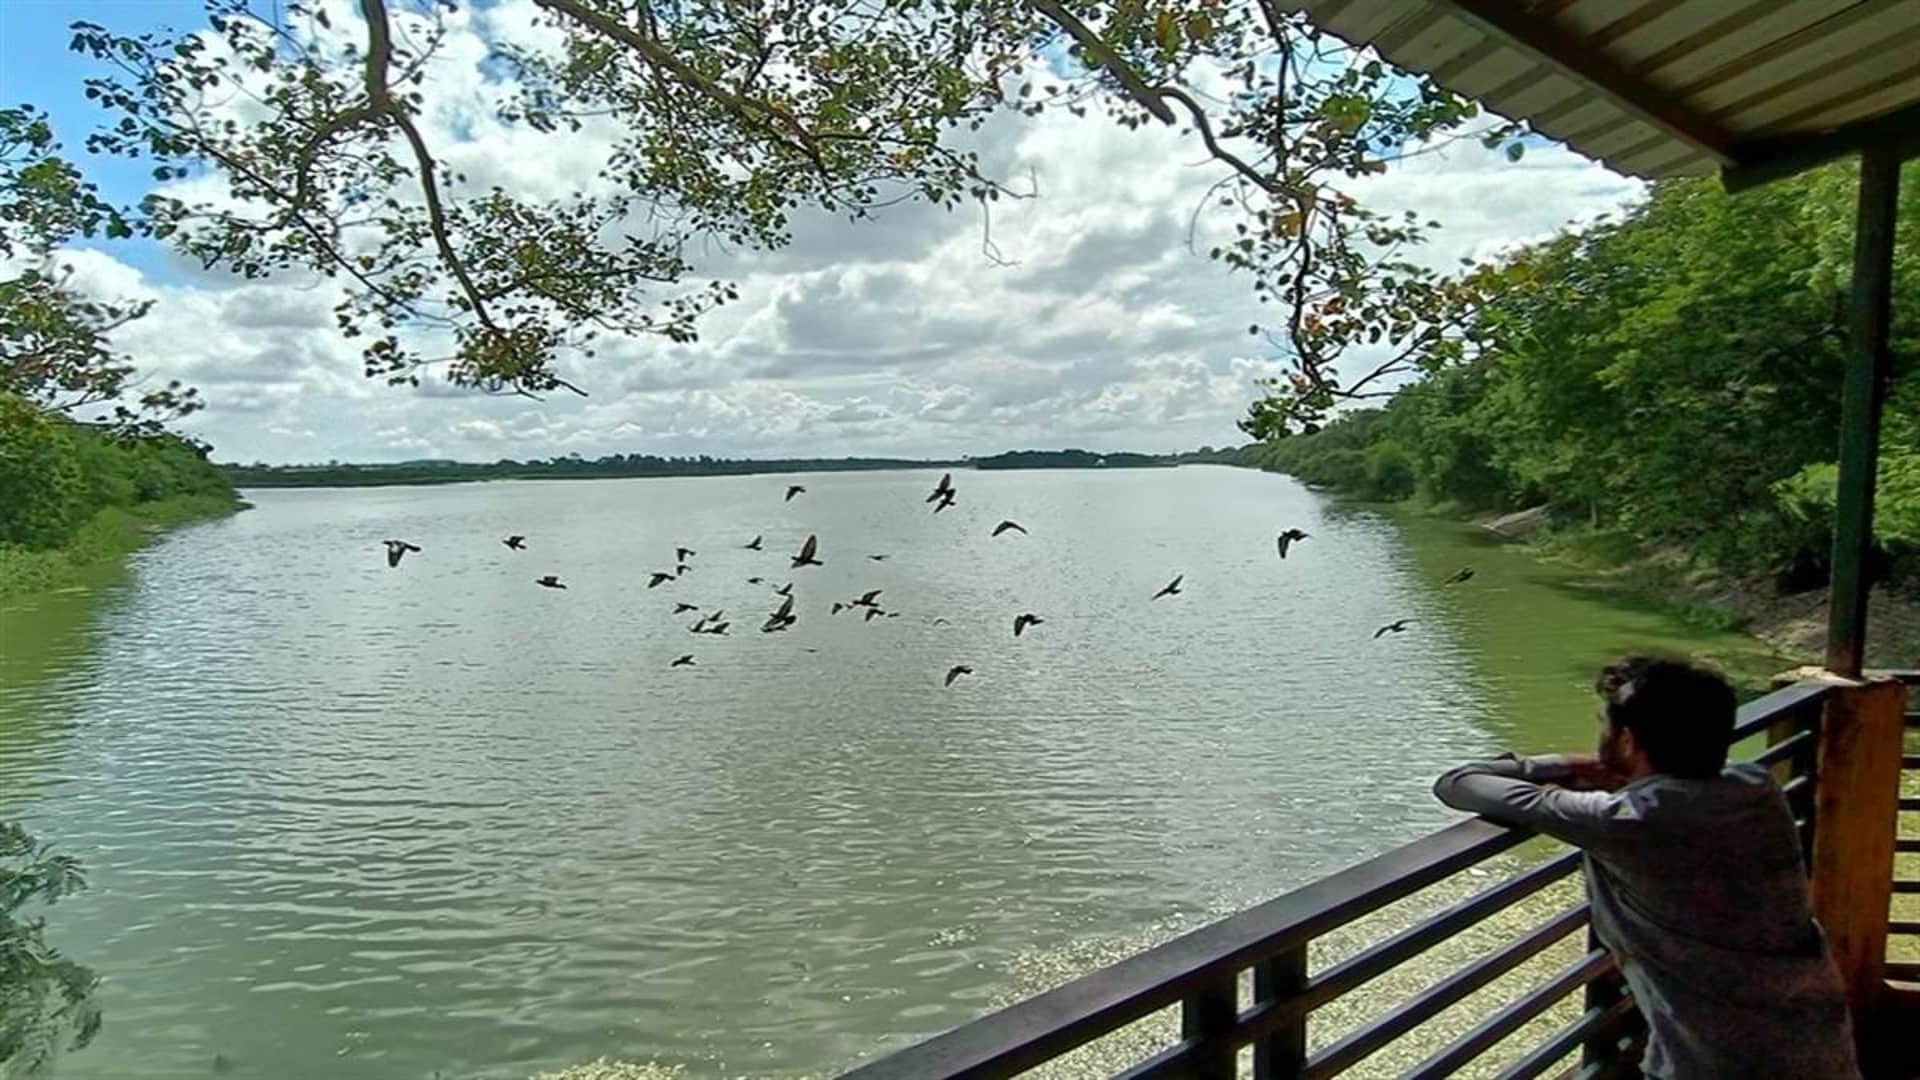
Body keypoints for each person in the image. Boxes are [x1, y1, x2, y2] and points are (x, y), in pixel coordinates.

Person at [1432, 656, 1859, 1080]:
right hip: (1822, 1045)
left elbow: (1458, 782)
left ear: (1627, 741)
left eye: (1604, 723)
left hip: (1714, 1064)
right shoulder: (1757, 786)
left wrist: (1568, 765)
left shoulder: (1625, 820)